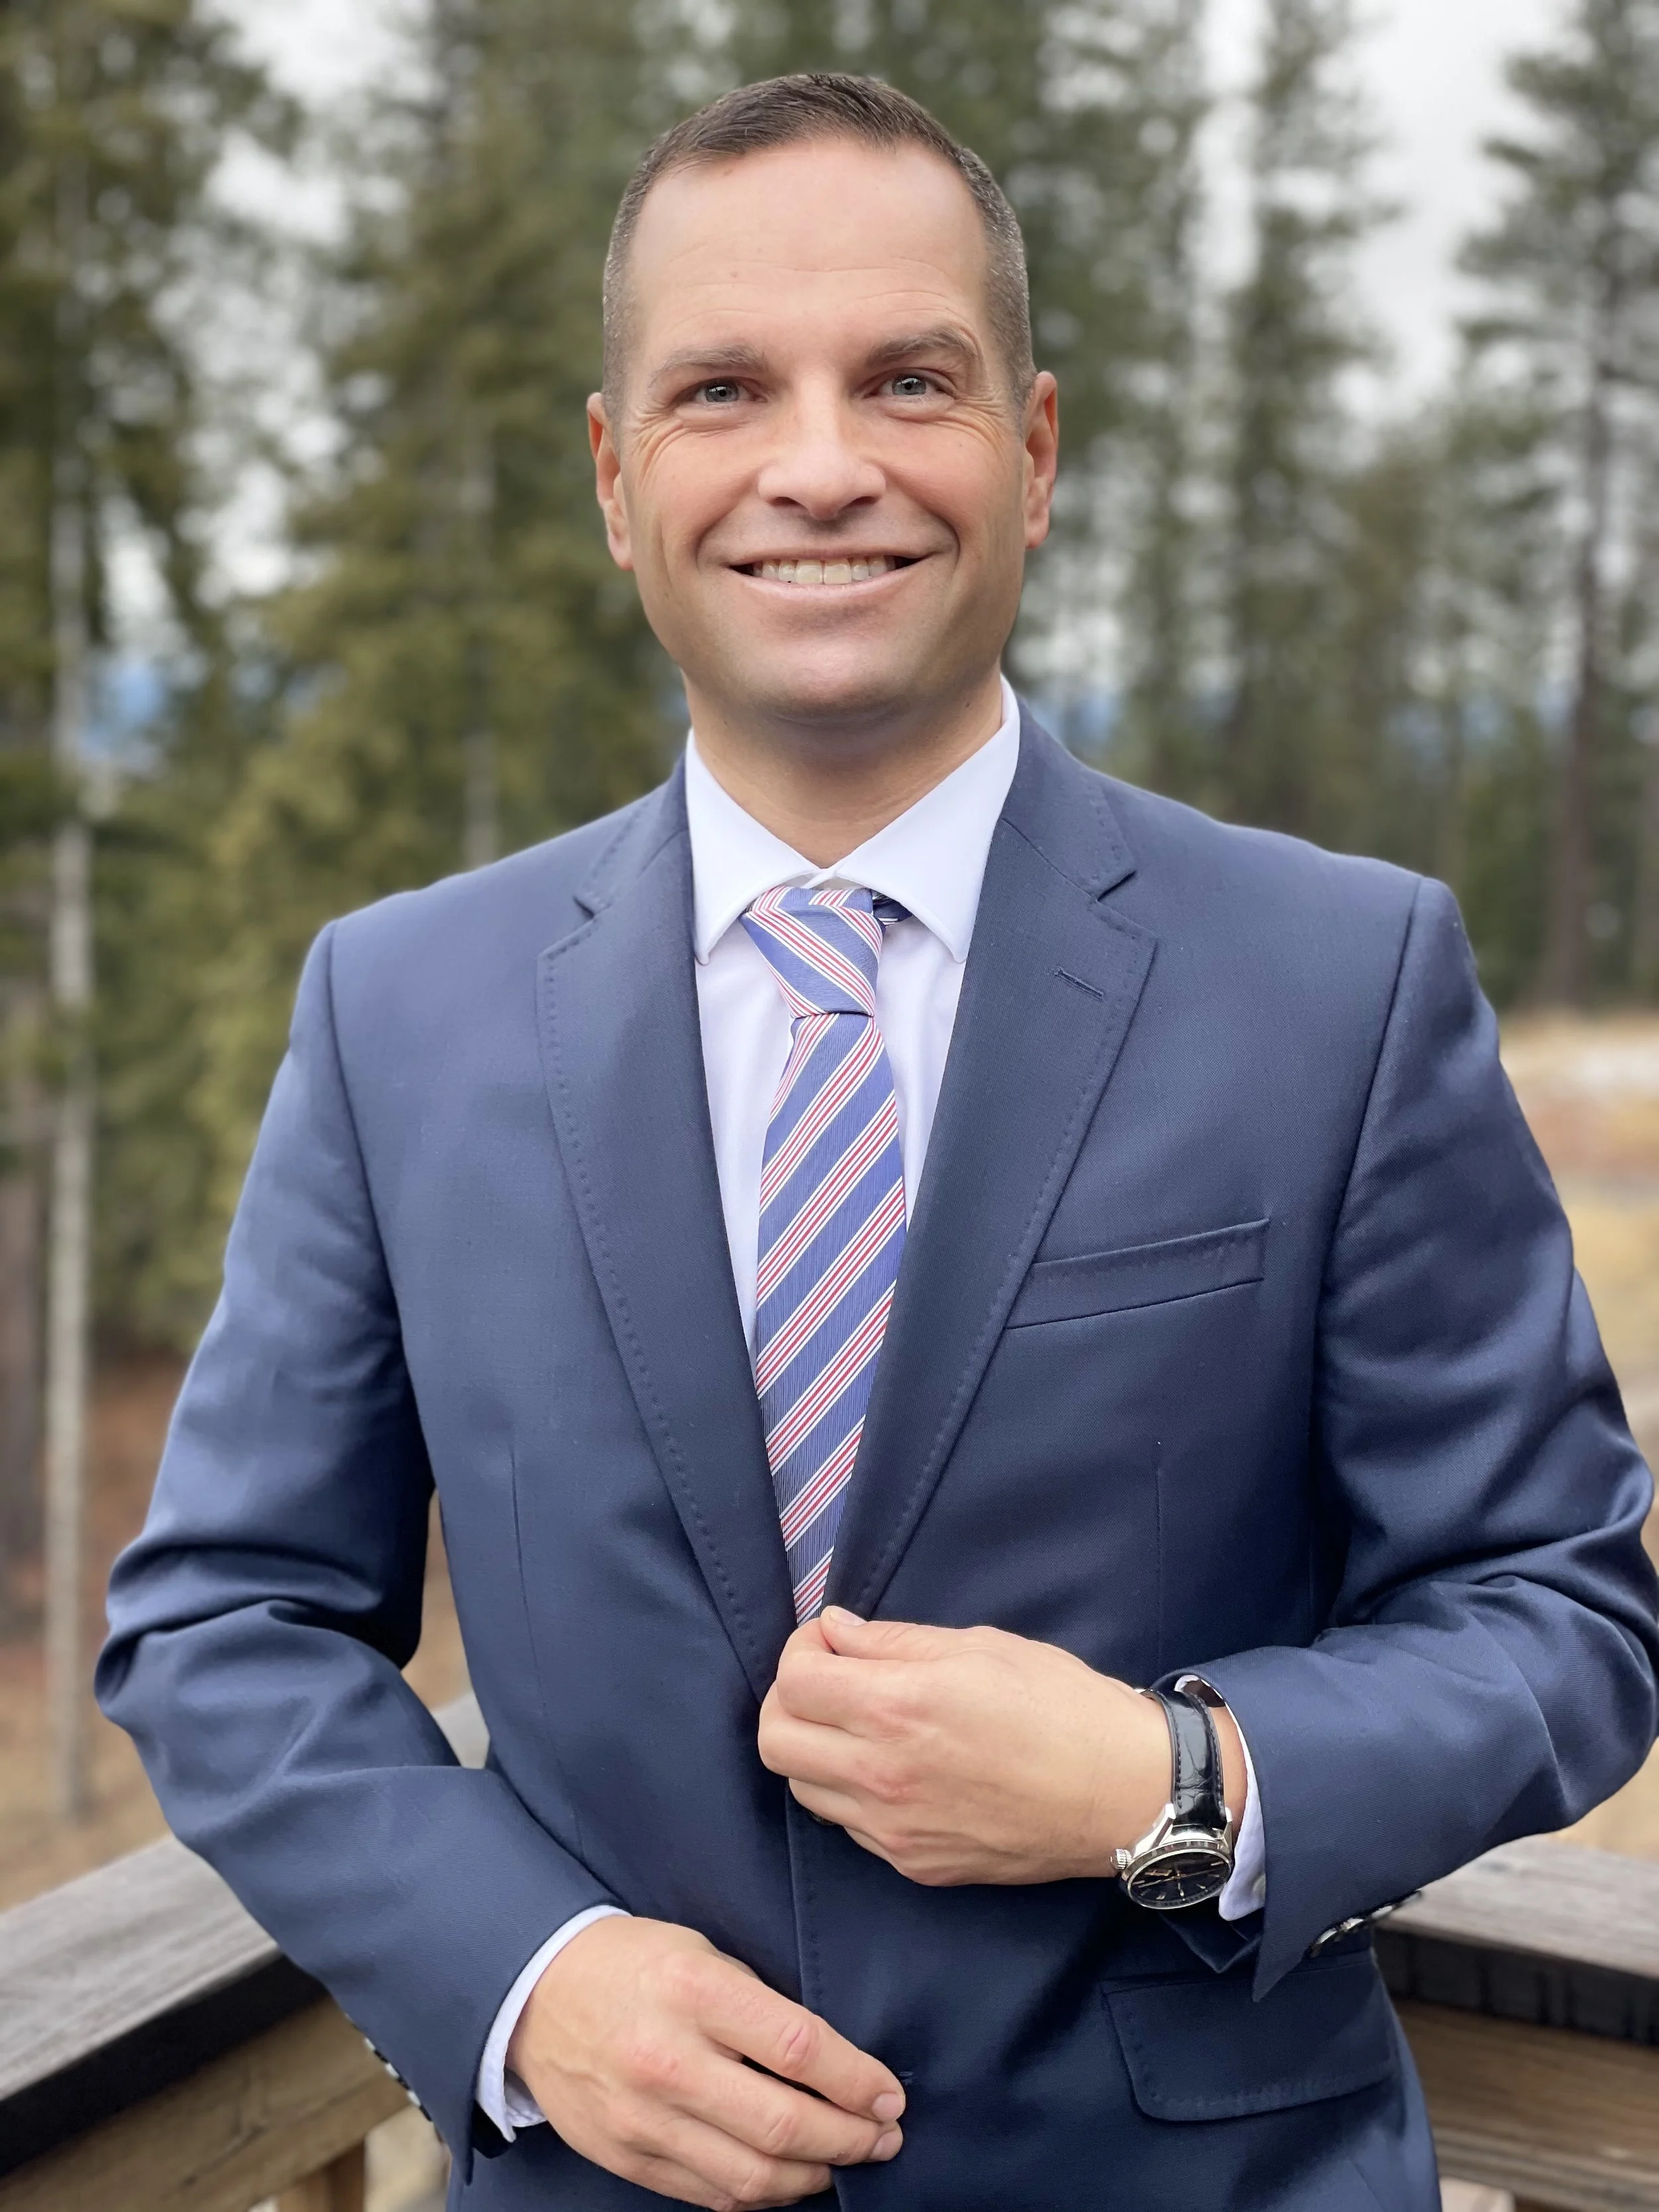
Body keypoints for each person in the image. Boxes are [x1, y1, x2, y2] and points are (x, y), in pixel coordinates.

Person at [99, 72, 1658, 2212]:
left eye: (905, 379)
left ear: (1028, 449)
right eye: (725, 387)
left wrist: (1171, 1772)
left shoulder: (1338, 978)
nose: (817, 466)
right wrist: (527, 1978)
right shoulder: (400, 1006)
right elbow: (226, 1618)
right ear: (613, 471)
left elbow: (1558, 1610)